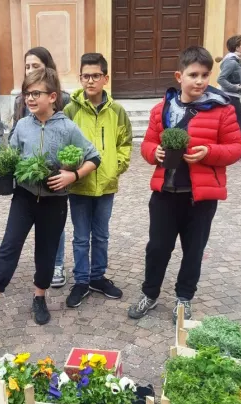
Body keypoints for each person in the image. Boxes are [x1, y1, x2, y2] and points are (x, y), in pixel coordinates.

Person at [0, 68, 100, 328]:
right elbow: (13, 156)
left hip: (55, 201)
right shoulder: (22, 125)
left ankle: (39, 296)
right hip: (25, 197)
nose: (29, 98)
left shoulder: (67, 127)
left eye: (35, 93)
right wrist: (3, 170)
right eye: (26, 93)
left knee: (46, 251)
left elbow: (94, 157)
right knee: (10, 244)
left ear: (52, 97)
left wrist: (72, 176)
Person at [128, 46, 241, 324]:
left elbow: (237, 147)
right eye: (193, 75)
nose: (200, 81)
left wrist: (209, 152)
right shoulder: (161, 109)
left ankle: (183, 298)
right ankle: (150, 293)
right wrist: (152, 152)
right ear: (179, 76)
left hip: (200, 198)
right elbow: (147, 142)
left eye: (205, 75)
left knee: (193, 250)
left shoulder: (222, 110)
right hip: (165, 195)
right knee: (157, 248)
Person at [64, 53, 132, 309]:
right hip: (79, 185)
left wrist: (115, 167)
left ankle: (97, 277)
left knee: (101, 235)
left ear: (105, 78)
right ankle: (81, 280)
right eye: (85, 76)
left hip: (106, 185)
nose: (90, 81)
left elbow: (125, 143)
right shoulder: (70, 110)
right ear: (80, 78)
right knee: (81, 237)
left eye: (95, 76)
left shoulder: (117, 111)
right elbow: (62, 144)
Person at [12, 46, 71, 289]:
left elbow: (66, 133)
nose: (30, 70)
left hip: (55, 174)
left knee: (53, 224)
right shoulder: (20, 100)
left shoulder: (64, 98)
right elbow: (17, 131)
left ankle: (56, 263)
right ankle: (43, 267)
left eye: (35, 66)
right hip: (28, 174)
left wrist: (68, 168)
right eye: (27, 66)